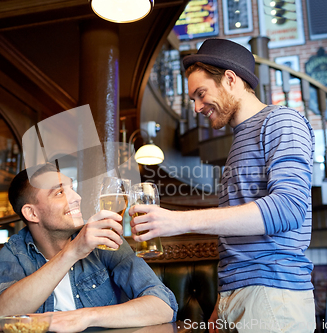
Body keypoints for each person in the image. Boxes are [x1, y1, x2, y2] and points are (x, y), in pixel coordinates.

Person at [129, 38, 315, 332]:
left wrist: (178, 221)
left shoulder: (281, 121)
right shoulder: (240, 138)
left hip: (272, 293)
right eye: (192, 99)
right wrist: (223, 302)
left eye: (200, 94)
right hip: (241, 295)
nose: (197, 107)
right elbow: (241, 239)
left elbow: (288, 209)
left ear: (230, 79)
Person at [0, 163, 177, 332]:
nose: (76, 197)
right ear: (32, 213)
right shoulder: (15, 252)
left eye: (72, 188)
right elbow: (0, 319)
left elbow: (163, 306)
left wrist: (85, 317)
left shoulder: (104, 238)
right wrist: (72, 252)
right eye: (60, 192)